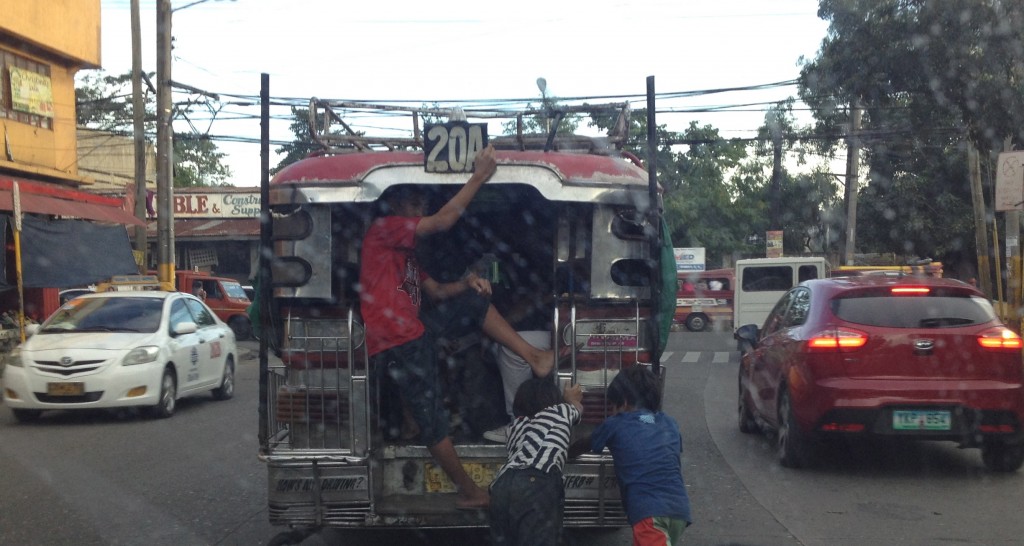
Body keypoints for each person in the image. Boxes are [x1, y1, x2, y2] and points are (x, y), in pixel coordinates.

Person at [359, 144, 557, 510]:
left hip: (414, 331)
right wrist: (479, 176)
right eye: (414, 204)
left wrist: (468, 283)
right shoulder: (385, 230)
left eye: (422, 203)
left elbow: (436, 290)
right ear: (396, 206)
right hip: (396, 339)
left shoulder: (407, 254)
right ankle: (469, 491)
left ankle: (534, 356)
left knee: (474, 302)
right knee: (432, 419)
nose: (420, 209)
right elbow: (442, 221)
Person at [587, 365, 692, 545]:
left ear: (624, 402)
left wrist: (566, 451)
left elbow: (587, 444)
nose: (611, 411)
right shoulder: (669, 423)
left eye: (612, 406)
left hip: (649, 512)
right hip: (679, 510)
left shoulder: (616, 423)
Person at [488, 377, 583, 546]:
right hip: (538, 480)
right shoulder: (559, 411)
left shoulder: (514, 427)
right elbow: (577, 409)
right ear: (553, 400)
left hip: (501, 485)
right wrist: (571, 399)